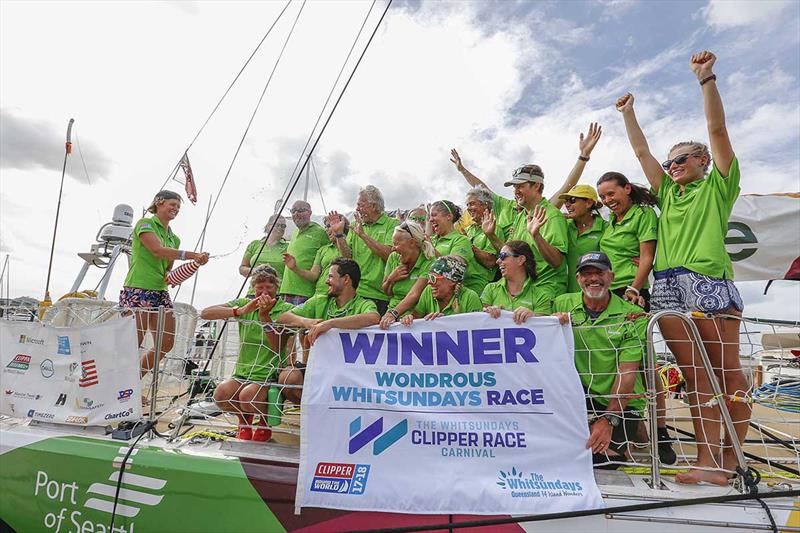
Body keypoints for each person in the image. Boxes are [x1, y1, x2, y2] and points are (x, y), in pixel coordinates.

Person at [616, 50, 749, 485]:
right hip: (669, 287)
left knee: (729, 376)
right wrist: (628, 113)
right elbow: (640, 152)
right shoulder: (667, 194)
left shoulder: (718, 186)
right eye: (670, 162)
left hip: (708, 283)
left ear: (702, 162)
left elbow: (717, 129)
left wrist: (705, 80)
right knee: (695, 380)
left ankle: (729, 460)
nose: (673, 167)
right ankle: (707, 459)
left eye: (683, 159)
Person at [553, 252, 675, 466]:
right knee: (566, 450)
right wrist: (526, 315)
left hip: (621, 400)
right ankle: (635, 433)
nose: (593, 278)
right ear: (577, 278)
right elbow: (533, 330)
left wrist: (609, 420)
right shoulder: (562, 303)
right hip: (582, 395)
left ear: (611, 277)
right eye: (586, 273)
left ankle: (652, 431)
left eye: (599, 272)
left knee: (602, 459)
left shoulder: (633, 315)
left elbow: (627, 374)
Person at [450, 151, 569, 299]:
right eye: (514, 187)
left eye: (520, 186)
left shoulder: (551, 215)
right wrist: (491, 235)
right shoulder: (521, 216)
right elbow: (511, 255)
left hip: (546, 292)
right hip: (523, 291)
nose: (515, 191)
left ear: (537, 186)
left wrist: (536, 235)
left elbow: (556, 261)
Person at [120, 190, 209, 379]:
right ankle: (117, 388)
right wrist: (192, 255)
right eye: (172, 204)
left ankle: (132, 383)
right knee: (132, 342)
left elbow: (168, 267)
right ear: (159, 202)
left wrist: (179, 273)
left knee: (166, 343)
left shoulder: (174, 238)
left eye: (178, 207)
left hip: (160, 291)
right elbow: (157, 250)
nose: (175, 209)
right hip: (138, 288)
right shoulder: (145, 224)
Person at [200, 266, 294, 441]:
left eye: (269, 287)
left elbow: (278, 346)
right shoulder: (244, 303)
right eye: (260, 287)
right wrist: (240, 311)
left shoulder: (285, 308)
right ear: (253, 288)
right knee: (220, 395)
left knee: (247, 397)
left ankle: (264, 421)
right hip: (244, 372)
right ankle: (244, 420)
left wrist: (264, 316)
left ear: (277, 288)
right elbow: (206, 313)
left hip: (269, 373)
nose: (264, 291)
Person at [276, 258, 381, 403]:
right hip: (319, 369)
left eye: (330, 276)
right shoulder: (320, 300)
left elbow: (373, 318)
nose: (326, 281)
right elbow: (282, 317)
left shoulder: (363, 304)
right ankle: (315, 410)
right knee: (287, 377)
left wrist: (330, 323)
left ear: (346, 280)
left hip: (350, 373)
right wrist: (306, 321)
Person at [597, 172, 658, 310]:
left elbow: (647, 257)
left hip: (630, 290)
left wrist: (633, 289)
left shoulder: (643, 214)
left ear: (627, 189)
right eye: (602, 197)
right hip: (609, 290)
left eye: (611, 194)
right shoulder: (611, 219)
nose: (607, 200)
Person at [335, 186, 399, 315]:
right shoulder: (356, 225)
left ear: (374, 206)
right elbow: (347, 257)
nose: (357, 209)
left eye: (360, 205)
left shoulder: (392, 224)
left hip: (380, 295)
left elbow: (389, 255)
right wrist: (339, 235)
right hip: (356, 293)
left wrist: (363, 236)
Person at [378, 221, 436, 328]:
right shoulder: (393, 257)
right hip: (391, 315)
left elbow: (414, 295)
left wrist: (393, 313)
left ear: (412, 242)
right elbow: (387, 292)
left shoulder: (429, 261)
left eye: (396, 243)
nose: (393, 248)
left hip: (416, 317)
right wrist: (391, 279)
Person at [482, 240, 552, 322]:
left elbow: (544, 329)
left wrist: (533, 317)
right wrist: (487, 313)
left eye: (503, 256)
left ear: (521, 260)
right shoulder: (490, 289)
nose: (498, 261)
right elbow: (479, 323)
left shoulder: (541, 296)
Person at [399, 256, 482, 323]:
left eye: (433, 278)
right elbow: (416, 318)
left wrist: (444, 323)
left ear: (452, 281)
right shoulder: (429, 290)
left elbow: (476, 329)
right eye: (429, 277)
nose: (429, 282)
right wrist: (409, 319)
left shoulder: (470, 297)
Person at [283, 214, 349, 297]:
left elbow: (347, 258)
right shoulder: (323, 250)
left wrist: (339, 234)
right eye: (326, 226)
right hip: (319, 295)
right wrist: (294, 268)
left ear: (342, 226)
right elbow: (313, 276)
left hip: (338, 295)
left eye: (329, 226)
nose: (326, 230)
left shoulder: (350, 244)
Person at [557, 185, 607, 293]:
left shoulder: (606, 228)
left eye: (572, 200)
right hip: (567, 295)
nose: (567, 205)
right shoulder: (563, 225)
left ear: (589, 203)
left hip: (595, 294)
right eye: (566, 201)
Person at [279, 200, 328, 305]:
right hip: (285, 291)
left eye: (301, 210)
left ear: (310, 212)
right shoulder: (294, 232)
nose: (296, 214)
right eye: (293, 211)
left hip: (305, 293)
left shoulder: (320, 232)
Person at [463, 187, 504, 295]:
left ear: (485, 205)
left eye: (472, 204)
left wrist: (466, 243)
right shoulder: (467, 230)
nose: (468, 208)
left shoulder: (495, 229)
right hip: (460, 282)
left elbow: (490, 262)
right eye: (467, 205)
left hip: (480, 286)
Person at [240, 214, 288, 285]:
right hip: (255, 291)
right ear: (268, 226)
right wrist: (254, 270)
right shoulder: (255, 244)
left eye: (283, 226)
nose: (280, 228)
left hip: (277, 292)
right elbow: (242, 268)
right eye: (277, 225)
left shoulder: (288, 246)